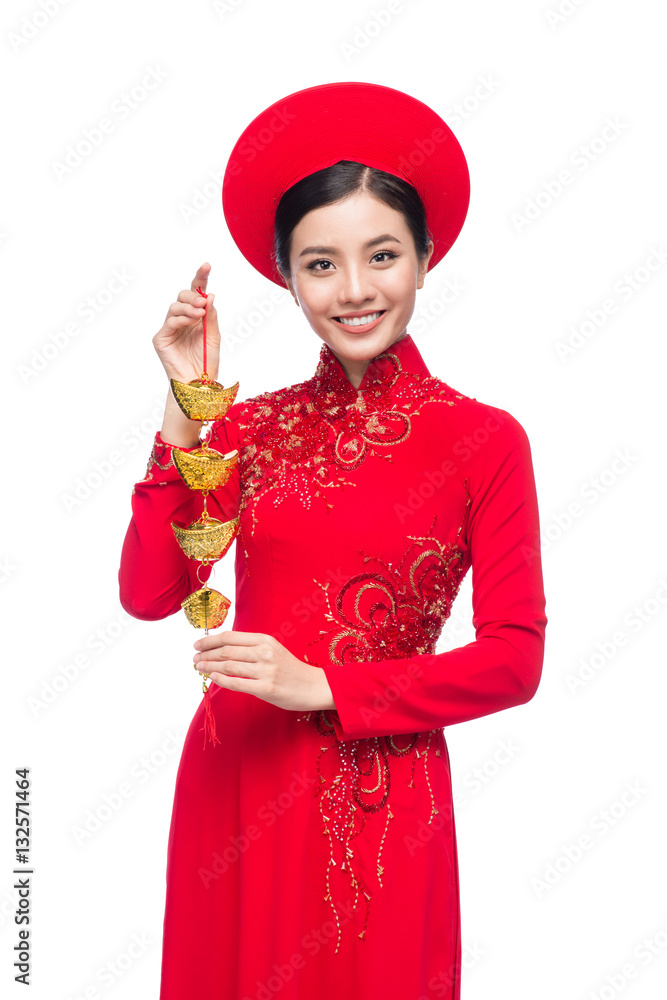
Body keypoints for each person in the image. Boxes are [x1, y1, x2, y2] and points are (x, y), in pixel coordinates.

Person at [118, 81, 547, 1000]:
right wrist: (186, 411)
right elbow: (151, 588)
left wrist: (324, 684)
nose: (354, 291)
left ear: (426, 258)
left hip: (382, 796)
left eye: (381, 254)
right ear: (288, 278)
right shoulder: (251, 429)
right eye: (320, 265)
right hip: (234, 786)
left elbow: (514, 660)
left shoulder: (484, 442)